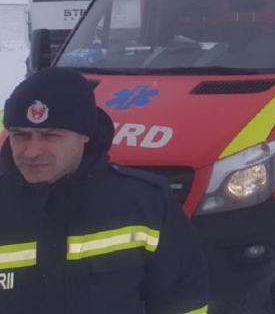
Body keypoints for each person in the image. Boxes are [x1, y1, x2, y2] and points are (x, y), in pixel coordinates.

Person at [0, 67, 209, 314]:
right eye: (20, 136)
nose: (32, 152)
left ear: (85, 135)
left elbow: (182, 299)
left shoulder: (144, 203)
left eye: (51, 136)